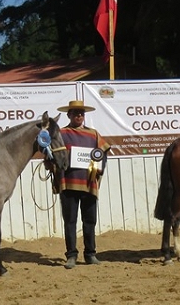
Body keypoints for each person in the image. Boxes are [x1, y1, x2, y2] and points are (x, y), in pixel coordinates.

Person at [56, 100, 112, 268]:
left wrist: (99, 169)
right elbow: (52, 155)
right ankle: (71, 255)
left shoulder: (93, 134)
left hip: (88, 183)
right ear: (69, 115)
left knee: (90, 220)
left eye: (81, 113)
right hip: (68, 183)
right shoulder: (61, 133)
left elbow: (103, 153)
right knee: (70, 220)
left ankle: (90, 254)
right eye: (75, 113)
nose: (79, 116)